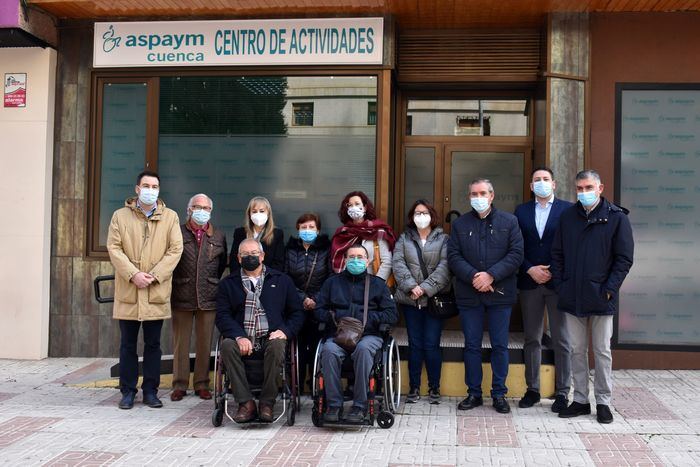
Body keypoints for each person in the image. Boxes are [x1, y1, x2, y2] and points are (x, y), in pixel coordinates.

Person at [551, 169, 634, 424]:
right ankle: (580, 400)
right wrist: (561, 284)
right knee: (576, 350)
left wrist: (609, 288)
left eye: (588, 188)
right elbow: (557, 254)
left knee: (601, 351)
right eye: (579, 189)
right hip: (572, 296)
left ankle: (604, 402)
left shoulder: (616, 218)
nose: (584, 193)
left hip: (601, 296)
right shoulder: (567, 217)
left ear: (601, 188)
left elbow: (624, 259)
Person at [106, 170, 183, 410]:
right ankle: (127, 391)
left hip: (155, 291)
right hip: (130, 291)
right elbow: (114, 248)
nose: (151, 189)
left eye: (155, 186)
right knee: (127, 345)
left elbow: (175, 249)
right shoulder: (120, 216)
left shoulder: (170, 217)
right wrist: (133, 275)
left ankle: (151, 391)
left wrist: (155, 275)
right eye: (146, 185)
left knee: (153, 345)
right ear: (137, 189)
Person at [448, 178, 524, 414]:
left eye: (482, 193)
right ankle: (474, 393)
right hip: (469, 295)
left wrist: (490, 275)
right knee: (472, 345)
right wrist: (475, 277)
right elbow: (453, 256)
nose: (477, 198)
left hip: (500, 294)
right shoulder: (460, 224)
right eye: (473, 194)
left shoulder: (509, 222)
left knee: (500, 345)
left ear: (492, 196)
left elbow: (516, 254)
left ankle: (499, 394)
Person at [215, 238, 305, 423]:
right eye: (245, 254)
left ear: (262, 256)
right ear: (238, 259)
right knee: (226, 345)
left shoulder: (282, 280)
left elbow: (297, 313)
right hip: (242, 336)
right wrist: (239, 336)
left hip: (271, 336)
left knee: (279, 345)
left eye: (254, 253)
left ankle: (267, 403)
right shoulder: (228, 283)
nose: (250, 257)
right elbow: (222, 316)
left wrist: (285, 331)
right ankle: (245, 403)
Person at [315, 244, 398, 423]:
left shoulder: (378, 284)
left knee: (363, 349)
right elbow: (318, 310)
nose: (356, 260)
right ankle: (334, 405)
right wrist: (334, 317)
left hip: (368, 335)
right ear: (345, 260)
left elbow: (392, 314)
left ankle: (360, 406)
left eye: (360, 257)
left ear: (367, 261)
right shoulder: (332, 283)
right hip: (338, 335)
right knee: (328, 351)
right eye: (351, 257)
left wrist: (369, 317)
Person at [514, 168, 573, 412]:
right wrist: (530, 269)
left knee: (562, 339)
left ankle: (562, 392)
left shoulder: (567, 210)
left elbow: (571, 245)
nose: (541, 183)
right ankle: (533, 389)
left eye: (545, 179)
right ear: (530, 185)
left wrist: (552, 271)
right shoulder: (521, 211)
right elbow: (517, 246)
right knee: (532, 338)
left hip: (557, 283)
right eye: (537, 179)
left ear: (554, 184)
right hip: (530, 282)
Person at [392, 199, 451, 404]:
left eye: (424, 212)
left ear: (432, 215)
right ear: (412, 217)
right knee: (415, 344)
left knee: (431, 344)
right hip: (410, 301)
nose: (421, 216)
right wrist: (411, 287)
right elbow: (397, 263)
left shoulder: (444, 239)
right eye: (417, 213)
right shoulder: (404, 239)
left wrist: (424, 288)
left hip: (433, 301)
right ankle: (414, 388)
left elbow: (445, 267)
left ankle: (434, 387)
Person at [170, 193, 227, 402]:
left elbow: (222, 265)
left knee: (205, 342)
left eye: (205, 208)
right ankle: (179, 384)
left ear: (211, 211)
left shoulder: (218, 236)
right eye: (197, 207)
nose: (201, 211)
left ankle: (202, 384)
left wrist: (210, 283)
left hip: (209, 296)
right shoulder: (176, 232)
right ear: (189, 209)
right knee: (180, 343)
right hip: (181, 293)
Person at [284, 212, 331, 393]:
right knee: (297, 347)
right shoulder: (290, 250)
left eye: (311, 227)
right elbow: (285, 278)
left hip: (319, 306)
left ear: (318, 230)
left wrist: (316, 299)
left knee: (317, 346)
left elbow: (330, 278)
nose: (307, 230)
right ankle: (295, 385)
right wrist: (302, 298)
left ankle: (315, 386)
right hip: (296, 306)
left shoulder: (326, 250)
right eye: (304, 227)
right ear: (298, 229)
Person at [330, 191, 396, 281]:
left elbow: (387, 262)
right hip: (347, 284)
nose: (353, 207)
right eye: (350, 205)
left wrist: (377, 283)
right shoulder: (342, 233)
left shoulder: (378, 231)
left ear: (365, 207)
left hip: (372, 283)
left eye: (357, 204)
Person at [229, 196, 285, 272]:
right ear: (249, 214)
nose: (258, 214)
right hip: (243, 278)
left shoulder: (277, 234)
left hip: (269, 278)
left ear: (268, 213)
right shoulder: (240, 233)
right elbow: (234, 260)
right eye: (254, 211)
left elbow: (278, 263)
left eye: (262, 211)